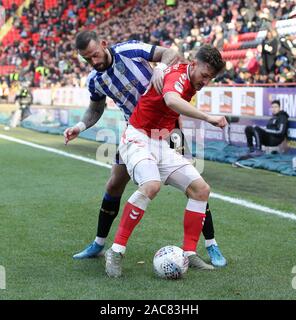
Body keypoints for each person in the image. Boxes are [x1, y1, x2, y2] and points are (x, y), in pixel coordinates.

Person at [64, 30, 227, 267]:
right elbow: (95, 110)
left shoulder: (128, 50)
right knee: (114, 184)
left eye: (95, 55)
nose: (94, 61)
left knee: (195, 186)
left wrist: (160, 67)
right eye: (87, 59)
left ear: (103, 43)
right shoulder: (95, 80)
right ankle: (100, 244)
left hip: (168, 129)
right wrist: (80, 125)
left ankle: (210, 244)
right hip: (137, 130)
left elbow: (169, 53)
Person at [104, 44, 227, 278]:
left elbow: (171, 103)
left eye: (210, 78)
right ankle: (116, 251)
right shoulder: (179, 76)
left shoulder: (188, 77)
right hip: (137, 137)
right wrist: (208, 117)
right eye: (204, 75)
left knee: (201, 190)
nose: (205, 82)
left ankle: (189, 252)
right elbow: (171, 100)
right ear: (194, 64)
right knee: (151, 185)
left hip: (160, 142)